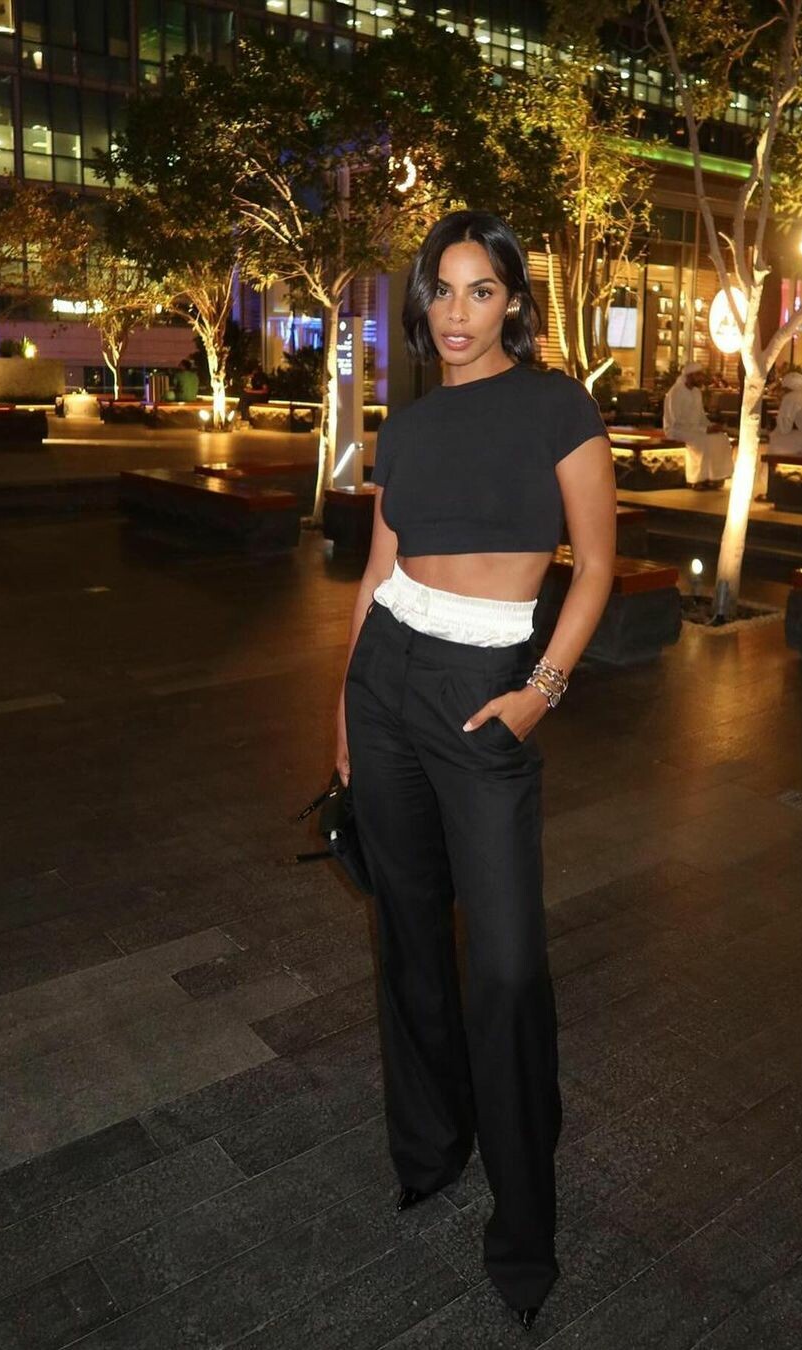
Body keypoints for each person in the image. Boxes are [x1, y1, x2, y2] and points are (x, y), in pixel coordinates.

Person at [335, 210, 614, 1333]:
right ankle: (431, 1145)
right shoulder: (405, 427)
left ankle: (524, 1226)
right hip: (386, 682)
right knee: (407, 932)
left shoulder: (557, 406)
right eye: (440, 292)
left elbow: (597, 565)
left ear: (512, 302)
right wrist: (343, 717)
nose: (457, 314)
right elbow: (374, 576)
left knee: (503, 964)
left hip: (489, 684)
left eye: (480, 291)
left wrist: (541, 690)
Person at [662, 361, 734, 489]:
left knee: (721, 438)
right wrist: (704, 430)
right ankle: (696, 480)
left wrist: (711, 427)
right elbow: (677, 420)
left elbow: (701, 416)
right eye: (698, 375)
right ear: (690, 376)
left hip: (695, 429)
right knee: (702, 441)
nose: (701, 378)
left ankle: (715, 477)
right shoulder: (676, 392)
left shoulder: (696, 392)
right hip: (677, 430)